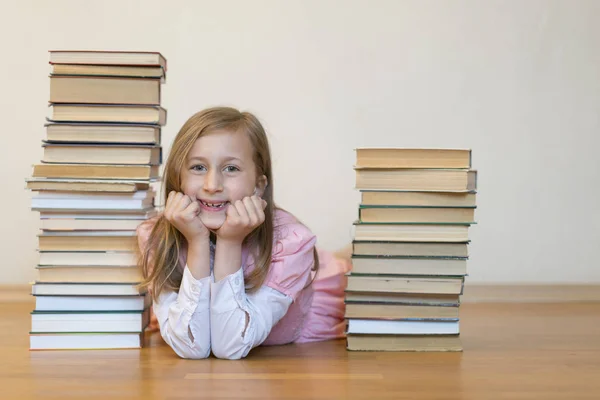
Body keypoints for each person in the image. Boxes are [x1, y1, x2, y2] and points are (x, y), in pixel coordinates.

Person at [136, 106, 351, 360]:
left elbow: (230, 346)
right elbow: (191, 346)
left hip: (305, 284)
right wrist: (197, 241)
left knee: (352, 264)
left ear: (258, 186)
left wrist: (229, 241)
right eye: (198, 167)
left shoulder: (292, 245)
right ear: (178, 179)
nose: (212, 185)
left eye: (231, 169)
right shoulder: (156, 235)